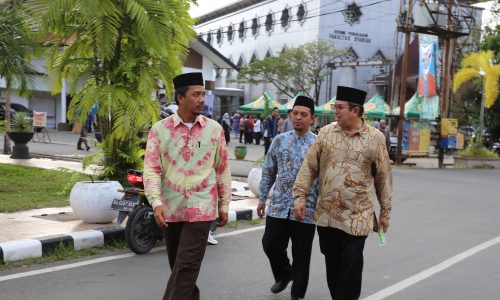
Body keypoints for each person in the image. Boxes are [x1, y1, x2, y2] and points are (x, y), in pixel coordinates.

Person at [293, 86, 393, 300]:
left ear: (355, 110)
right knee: (333, 264)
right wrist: (299, 197)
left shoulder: (375, 138)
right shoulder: (326, 133)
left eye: (339, 107)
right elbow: (309, 167)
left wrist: (385, 211)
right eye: (335, 107)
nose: (335, 111)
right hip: (327, 215)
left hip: (359, 216)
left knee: (351, 265)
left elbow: (383, 177)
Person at [143, 72, 231, 300]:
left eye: (203, 94)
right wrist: (156, 202)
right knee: (180, 267)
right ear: (180, 98)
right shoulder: (159, 130)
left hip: (202, 209)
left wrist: (224, 204)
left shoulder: (215, 130)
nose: (202, 99)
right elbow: (152, 169)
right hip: (171, 209)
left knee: (186, 267)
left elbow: (222, 170)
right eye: (196, 94)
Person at [258, 96, 319, 300]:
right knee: (270, 244)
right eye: (295, 113)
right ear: (290, 115)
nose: (298, 118)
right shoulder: (279, 140)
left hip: (307, 209)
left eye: (304, 114)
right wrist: (262, 197)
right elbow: (268, 170)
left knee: (301, 254)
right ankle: (285, 274)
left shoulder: (319, 144)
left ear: (312, 119)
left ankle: (297, 295)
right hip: (278, 206)